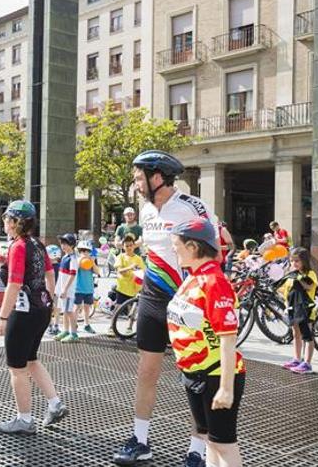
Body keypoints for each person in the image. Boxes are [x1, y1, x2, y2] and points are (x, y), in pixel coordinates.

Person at [114, 150, 213, 467]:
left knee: (195, 377)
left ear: (157, 177)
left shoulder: (191, 207)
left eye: (139, 177)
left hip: (186, 301)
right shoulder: (144, 211)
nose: (135, 183)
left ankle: (197, 449)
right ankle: (140, 441)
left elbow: (219, 245)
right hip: (152, 299)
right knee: (146, 371)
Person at [168, 218, 245, 467]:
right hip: (195, 374)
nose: (174, 250)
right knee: (210, 440)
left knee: (223, 443)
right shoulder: (193, 277)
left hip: (215, 374)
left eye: (176, 245)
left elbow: (228, 337)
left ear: (192, 246)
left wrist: (226, 387)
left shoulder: (214, 281)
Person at [0, 200, 68, 435]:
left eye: (7, 218)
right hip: (41, 309)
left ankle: (24, 420)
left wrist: (3, 317)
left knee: (17, 368)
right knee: (32, 360)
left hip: (23, 312)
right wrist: (50, 299)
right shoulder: (38, 244)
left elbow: (14, 284)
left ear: (17, 222)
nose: (4, 222)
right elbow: (49, 273)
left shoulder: (18, 246)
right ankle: (55, 404)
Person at [280, 247, 318, 374]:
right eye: (291, 261)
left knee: (307, 336)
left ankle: (307, 363)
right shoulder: (291, 275)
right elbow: (285, 290)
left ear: (304, 261)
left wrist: (298, 278)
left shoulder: (309, 274)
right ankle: (297, 358)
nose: (293, 264)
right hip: (293, 308)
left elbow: (309, 286)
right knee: (296, 334)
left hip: (306, 310)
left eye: (297, 261)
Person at [110, 234, 146, 337]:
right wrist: (130, 267)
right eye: (126, 246)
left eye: (130, 245)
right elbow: (119, 270)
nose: (129, 248)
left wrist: (138, 270)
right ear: (123, 247)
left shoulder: (138, 259)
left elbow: (143, 271)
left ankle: (129, 328)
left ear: (134, 246)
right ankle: (111, 328)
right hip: (122, 288)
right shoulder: (121, 257)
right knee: (117, 308)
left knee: (133, 310)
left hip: (134, 288)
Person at [53, 234, 77, 340]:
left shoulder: (73, 259)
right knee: (65, 311)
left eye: (66, 244)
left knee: (69, 311)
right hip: (62, 289)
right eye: (62, 243)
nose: (63, 246)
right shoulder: (64, 257)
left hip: (68, 290)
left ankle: (74, 333)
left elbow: (72, 275)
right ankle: (66, 331)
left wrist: (65, 289)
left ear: (72, 245)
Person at [74, 240, 100, 335]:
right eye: (82, 251)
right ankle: (74, 324)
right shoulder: (78, 260)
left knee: (87, 307)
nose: (85, 253)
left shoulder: (90, 262)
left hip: (89, 288)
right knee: (76, 307)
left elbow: (98, 272)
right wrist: (80, 259)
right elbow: (74, 269)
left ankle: (86, 324)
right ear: (79, 252)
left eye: (87, 251)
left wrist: (93, 262)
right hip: (78, 288)